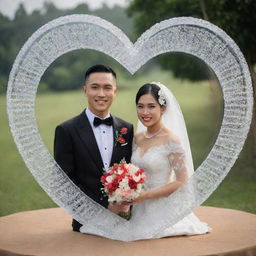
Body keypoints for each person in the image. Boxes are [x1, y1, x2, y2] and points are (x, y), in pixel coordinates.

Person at [54, 64, 133, 232]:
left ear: (115, 92)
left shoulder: (127, 129)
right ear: (85, 90)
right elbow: (64, 183)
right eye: (95, 87)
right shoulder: (66, 130)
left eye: (107, 88)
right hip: (86, 224)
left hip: (124, 223)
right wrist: (105, 205)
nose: (101, 94)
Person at [125, 82, 211, 237]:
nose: (145, 112)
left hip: (162, 207)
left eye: (151, 106)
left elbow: (181, 181)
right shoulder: (136, 138)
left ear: (163, 108)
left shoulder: (171, 140)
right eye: (140, 106)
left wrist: (146, 196)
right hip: (137, 208)